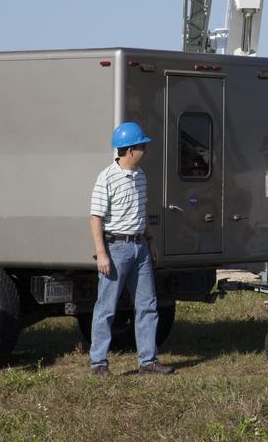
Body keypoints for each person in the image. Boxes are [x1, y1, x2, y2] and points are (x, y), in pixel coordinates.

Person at [88, 121, 174, 376]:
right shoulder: (107, 178)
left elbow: (141, 211)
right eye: (141, 146)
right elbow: (95, 217)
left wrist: (151, 241)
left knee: (148, 304)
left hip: (140, 248)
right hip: (116, 249)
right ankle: (99, 363)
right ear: (128, 150)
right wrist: (101, 252)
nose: (145, 150)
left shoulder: (140, 176)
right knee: (106, 307)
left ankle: (148, 361)